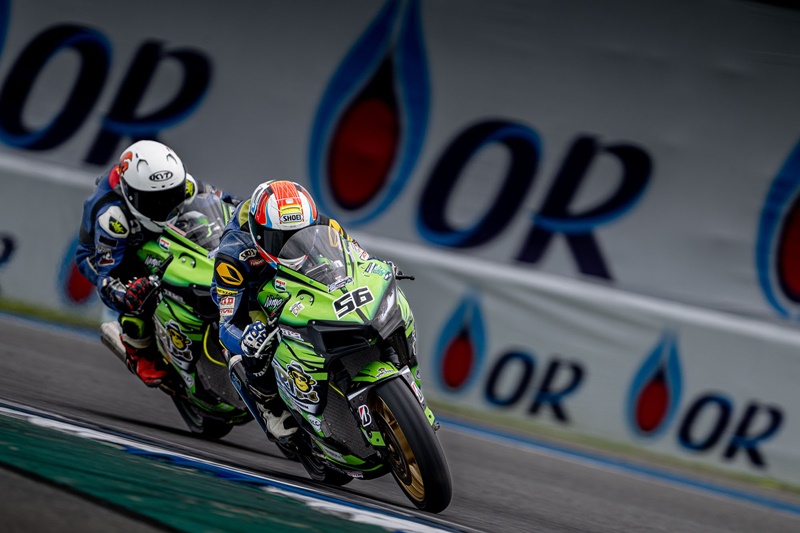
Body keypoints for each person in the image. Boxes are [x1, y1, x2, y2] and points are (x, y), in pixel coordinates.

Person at [212, 179, 388, 441]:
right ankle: (269, 405)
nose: (289, 245)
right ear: (259, 234)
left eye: (298, 234)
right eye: (279, 239)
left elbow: (359, 259)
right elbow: (227, 325)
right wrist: (246, 339)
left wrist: (377, 268)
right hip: (252, 295)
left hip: (304, 277)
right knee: (254, 345)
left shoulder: (326, 226)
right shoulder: (233, 254)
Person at [76, 140, 238, 387]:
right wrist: (127, 293)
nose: (165, 206)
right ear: (130, 195)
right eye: (154, 201)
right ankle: (138, 349)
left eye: (171, 196)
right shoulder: (112, 216)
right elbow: (107, 279)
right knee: (138, 290)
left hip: (156, 234)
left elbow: (226, 202)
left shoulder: (186, 184)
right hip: (105, 253)